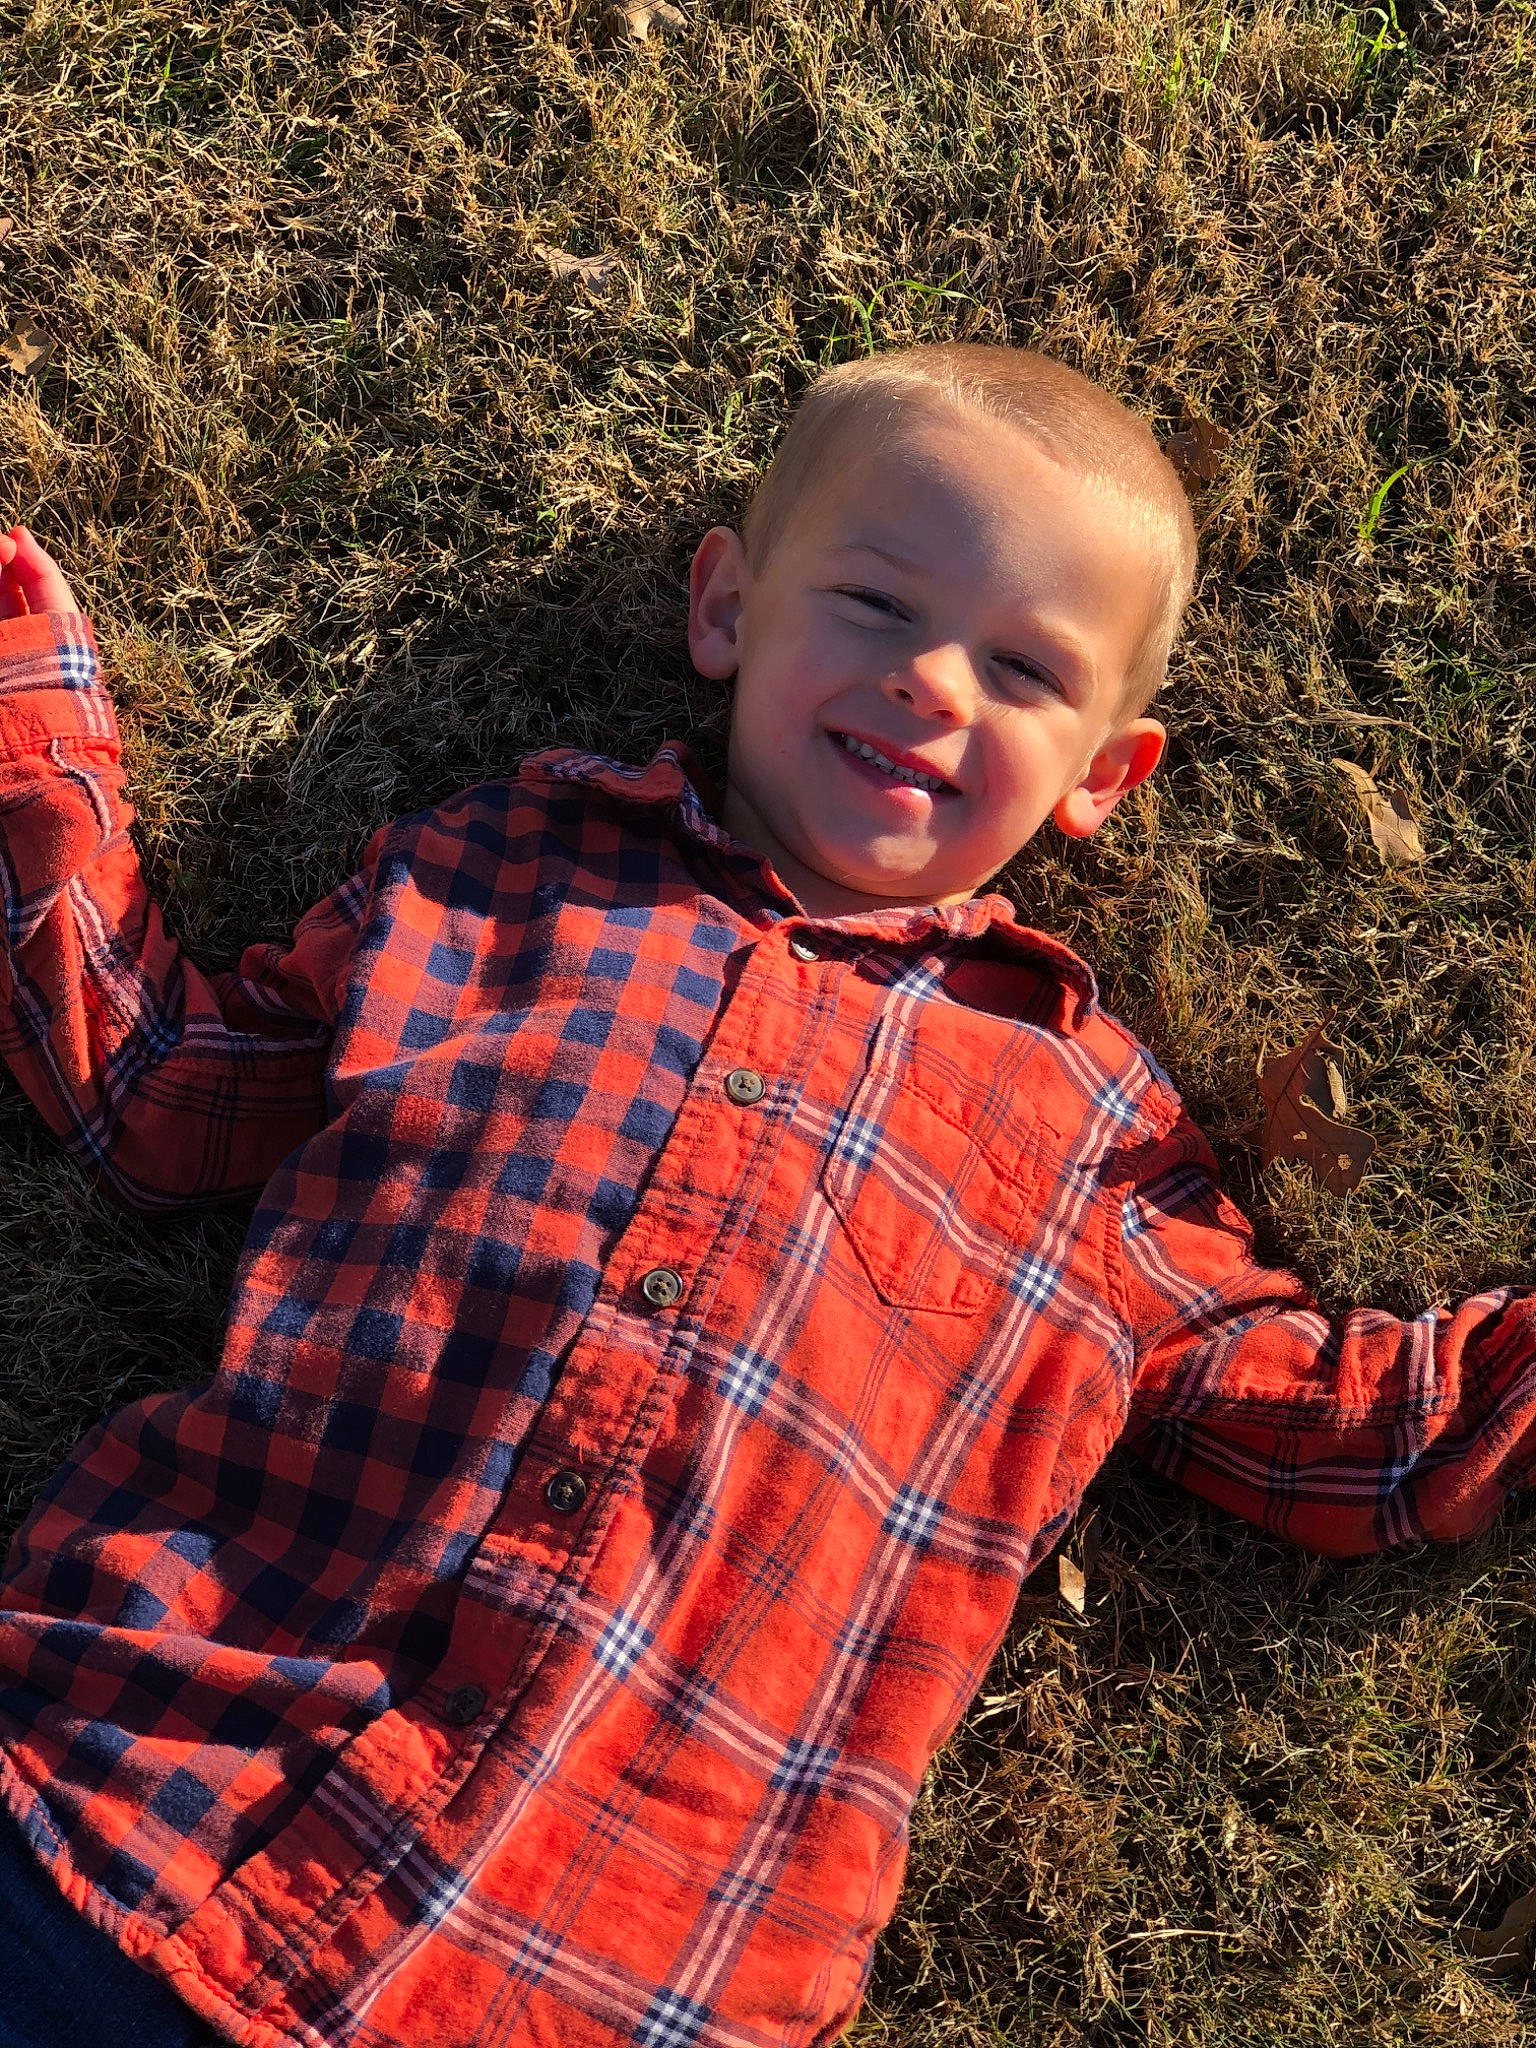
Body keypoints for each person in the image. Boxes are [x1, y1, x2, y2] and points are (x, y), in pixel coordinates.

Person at [0, 344, 1530, 2048]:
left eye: (1027, 667)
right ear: (725, 606)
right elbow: (166, 1097)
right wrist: (28, 722)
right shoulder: (504, 867)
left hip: (596, 1973)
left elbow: (1340, 1428)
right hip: (119, 1789)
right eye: (877, 604)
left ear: (1106, 773)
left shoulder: (1092, 1126)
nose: (937, 684)